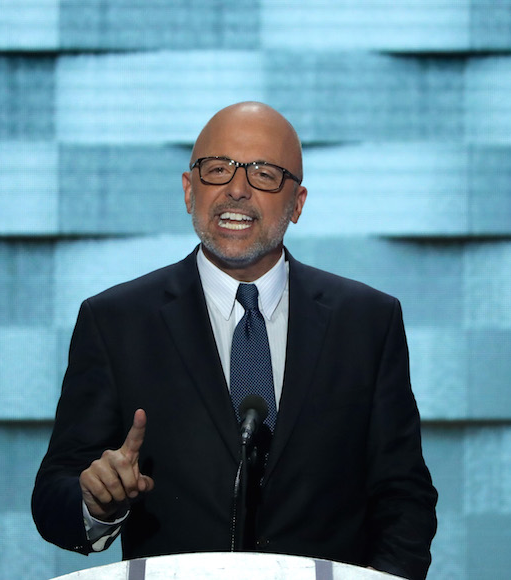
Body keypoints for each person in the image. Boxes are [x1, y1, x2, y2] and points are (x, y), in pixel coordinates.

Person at [32, 102, 437, 580]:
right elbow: (54, 497)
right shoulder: (116, 321)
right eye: (217, 170)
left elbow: (403, 497)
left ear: (298, 203)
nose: (237, 190)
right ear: (189, 190)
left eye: (264, 173)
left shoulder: (368, 321)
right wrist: (95, 502)